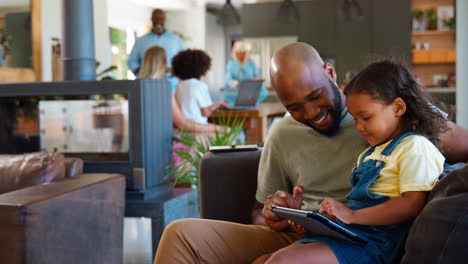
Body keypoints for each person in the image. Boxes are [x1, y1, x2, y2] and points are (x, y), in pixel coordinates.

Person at [153, 43, 468, 264]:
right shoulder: (283, 133)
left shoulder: (391, 112)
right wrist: (276, 214)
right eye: (294, 107)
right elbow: (258, 213)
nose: (312, 113)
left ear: (330, 72)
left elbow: (460, 147)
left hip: (364, 239)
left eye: (315, 96)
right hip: (300, 236)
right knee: (180, 233)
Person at [253, 60, 446, 264]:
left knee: (283, 261)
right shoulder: (371, 154)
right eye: (355, 119)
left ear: (398, 107)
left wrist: (352, 215)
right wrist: (317, 219)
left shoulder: (416, 147)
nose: (359, 127)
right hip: (348, 235)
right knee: (262, 261)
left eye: (366, 117)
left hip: (376, 243)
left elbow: (412, 204)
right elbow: (357, 205)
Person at [140, 46, 223, 134]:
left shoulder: (141, 88)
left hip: (148, 136)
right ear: (164, 64)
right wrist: (220, 128)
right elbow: (182, 124)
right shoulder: (163, 90)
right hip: (168, 138)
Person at [127, 9, 185, 91]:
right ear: (152, 19)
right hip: (147, 85)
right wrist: (142, 70)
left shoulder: (176, 40)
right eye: (156, 18)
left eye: (161, 18)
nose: (158, 21)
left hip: (171, 84)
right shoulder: (141, 41)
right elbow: (131, 61)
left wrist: (174, 71)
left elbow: (183, 61)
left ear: (165, 20)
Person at [172, 49, 227, 124]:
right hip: (198, 126)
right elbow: (206, 113)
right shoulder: (200, 86)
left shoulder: (179, 85)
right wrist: (217, 105)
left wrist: (217, 104)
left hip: (183, 128)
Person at [223, 40, 269, 105]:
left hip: (250, 89)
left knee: (264, 92)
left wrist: (255, 79)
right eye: (238, 53)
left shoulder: (251, 63)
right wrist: (236, 83)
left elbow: (257, 75)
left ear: (246, 53)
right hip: (237, 89)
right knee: (226, 93)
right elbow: (227, 80)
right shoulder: (231, 64)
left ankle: (251, 104)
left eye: (243, 53)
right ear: (235, 53)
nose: (241, 55)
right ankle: (239, 105)